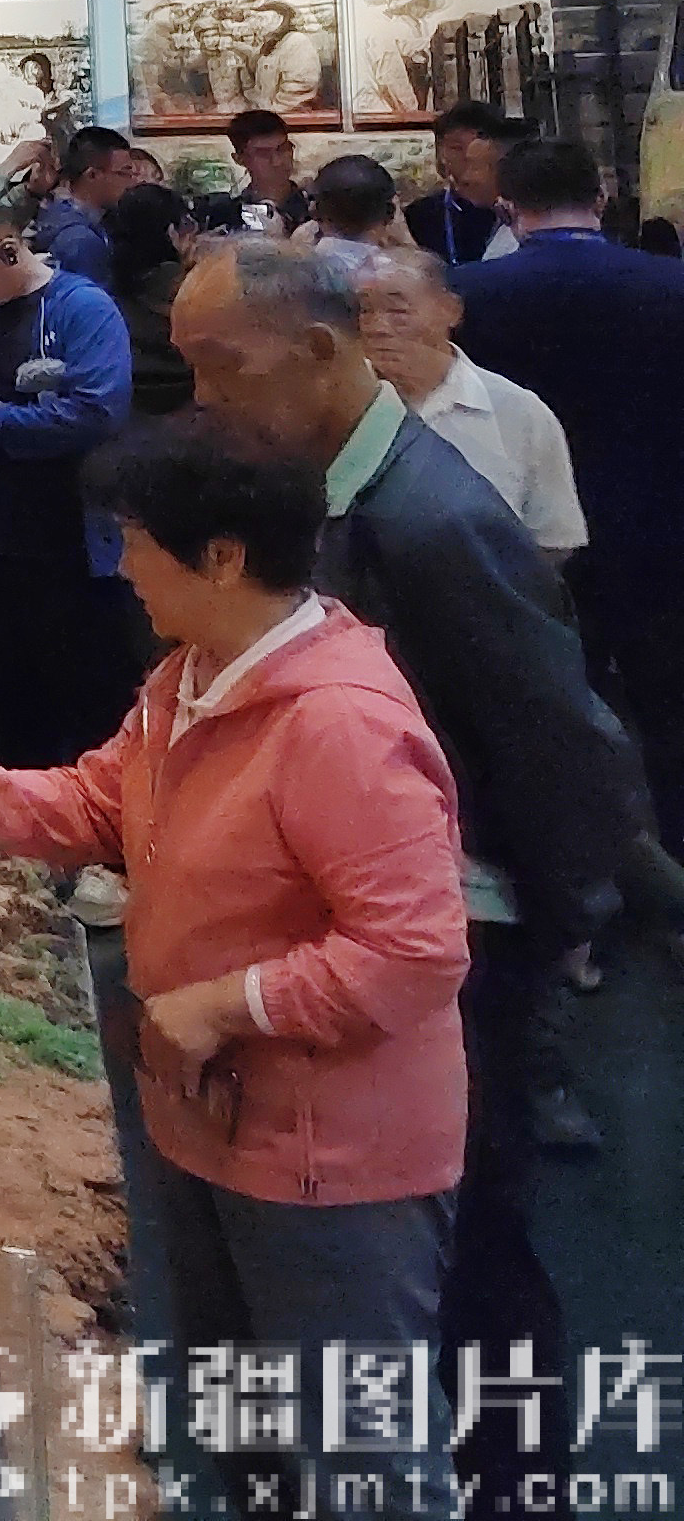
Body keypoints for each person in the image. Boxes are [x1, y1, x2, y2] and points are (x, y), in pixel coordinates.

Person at [0, 419, 467, 1521]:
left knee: (357, 1453)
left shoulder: (339, 725)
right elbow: (104, 803)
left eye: (135, 539)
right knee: (236, 1418)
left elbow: (411, 952)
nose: (122, 562)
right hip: (206, 1116)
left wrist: (230, 1004)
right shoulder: (189, 678)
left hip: (327, 1158)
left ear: (220, 556)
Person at [169, 236, 650, 1498]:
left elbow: (561, 747)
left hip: (455, 949)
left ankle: (513, 1484)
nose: (205, 401)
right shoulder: (335, 497)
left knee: (474, 1249)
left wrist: (530, 939)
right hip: (374, 937)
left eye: (222, 369)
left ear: (319, 351)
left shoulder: (428, 522)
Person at [457, 135, 684, 835]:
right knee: (670, 710)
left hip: (526, 535)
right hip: (661, 526)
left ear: (507, 208)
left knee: (549, 711)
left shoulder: (468, 295)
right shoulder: (671, 286)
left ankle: (585, 854)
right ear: (602, 198)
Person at [0, 183, 142, 775]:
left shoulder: (80, 309)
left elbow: (97, 410)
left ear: (8, 250)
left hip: (71, 547)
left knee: (90, 723)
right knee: (15, 718)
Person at [357, 248, 585, 562]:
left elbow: (555, 539)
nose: (377, 326)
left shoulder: (518, 411)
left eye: (398, 310)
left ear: (451, 310)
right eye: (363, 310)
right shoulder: (334, 406)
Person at [105, 180, 197, 415]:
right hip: (187, 399)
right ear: (171, 232)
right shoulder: (190, 288)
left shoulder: (114, 285)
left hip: (130, 405)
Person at [400, 103, 514, 267]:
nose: (468, 155)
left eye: (477, 145)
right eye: (456, 148)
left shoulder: (518, 211)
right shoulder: (419, 215)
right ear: (441, 153)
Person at [31, 125, 143, 288]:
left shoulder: (61, 214)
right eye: (124, 173)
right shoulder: (79, 240)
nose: (132, 182)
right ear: (92, 175)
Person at [298, 152, 403, 282]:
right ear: (389, 214)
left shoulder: (298, 269)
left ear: (316, 213)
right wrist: (406, 240)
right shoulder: (396, 277)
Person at [226, 106, 309, 233]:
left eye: (283, 149)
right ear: (239, 159)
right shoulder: (230, 216)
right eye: (263, 154)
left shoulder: (318, 206)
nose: (277, 162)